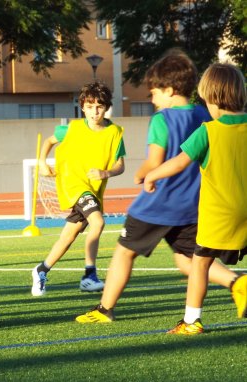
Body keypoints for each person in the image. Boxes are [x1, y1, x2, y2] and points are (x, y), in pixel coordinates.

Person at [76, 51, 242, 324]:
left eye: (153, 93)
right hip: (194, 205)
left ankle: (104, 309)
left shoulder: (162, 120)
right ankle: (238, 284)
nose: (151, 99)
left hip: (158, 204)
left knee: (124, 251)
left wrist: (142, 174)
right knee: (189, 260)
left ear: (169, 90)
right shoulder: (206, 114)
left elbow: (156, 161)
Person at [143, 62, 247, 334]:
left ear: (211, 97)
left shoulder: (209, 131)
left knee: (200, 263)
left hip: (219, 216)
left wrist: (152, 175)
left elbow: (178, 163)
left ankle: (191, 321)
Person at [31, 82, 125, 296]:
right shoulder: (71, 128)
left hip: (93, 190)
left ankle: (41, 270)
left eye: (99, 106)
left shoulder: (115, 132)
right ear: (83, 106)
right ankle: (89, 276)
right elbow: (49, 141)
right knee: (98, 222)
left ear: (107, 107)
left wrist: (106, 173)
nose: (95, 111)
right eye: (90, 106)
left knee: (69, 236)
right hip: (74, 186)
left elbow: (120, 165)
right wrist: (43, 163)